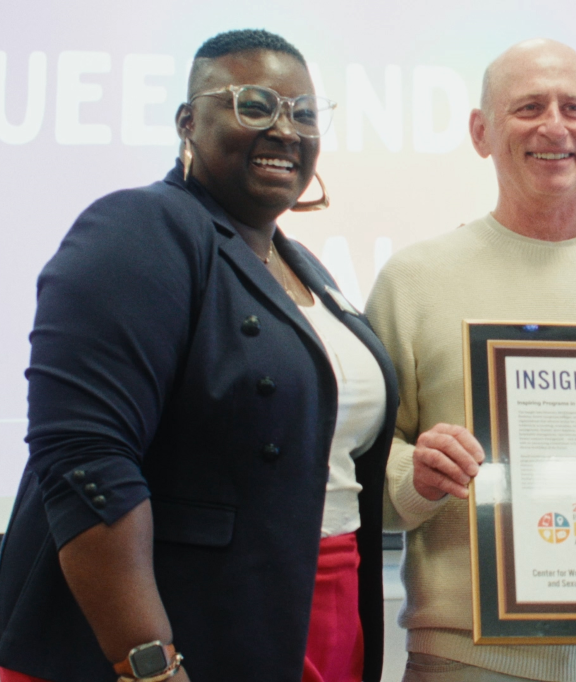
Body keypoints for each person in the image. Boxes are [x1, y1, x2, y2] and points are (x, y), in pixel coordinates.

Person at [0, 29, 398, 682]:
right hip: (178, 631)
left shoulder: (306, 268)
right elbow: (85, 459)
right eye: (253, 105)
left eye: (303, 114)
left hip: (315, 608)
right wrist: (148, 662)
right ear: (189, 121)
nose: (285, 130)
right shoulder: (136, 228)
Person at [365, 38, 576, 682]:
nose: (554, 127)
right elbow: (358, 473)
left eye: (573, 108)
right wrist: (421, 473)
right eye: (528, 107)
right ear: (481, 131)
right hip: (466, 658)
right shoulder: (412, 280)